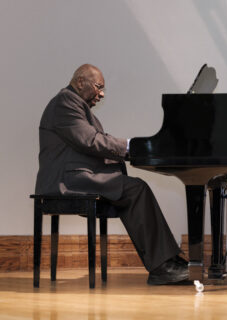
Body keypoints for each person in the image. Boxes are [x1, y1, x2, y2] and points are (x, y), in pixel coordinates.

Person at [35, 64, 188, 285]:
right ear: (80, 82)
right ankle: (163, 266)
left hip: (77, 176)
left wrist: (131, 152)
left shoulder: (74, 104)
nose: (102, 94)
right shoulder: (65, 102)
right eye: (98, 87)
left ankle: (167, 261)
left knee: (134, 188)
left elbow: (94, 141)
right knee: (136, 189)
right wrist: (131, 146)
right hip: (66, 180)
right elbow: (91, 141)